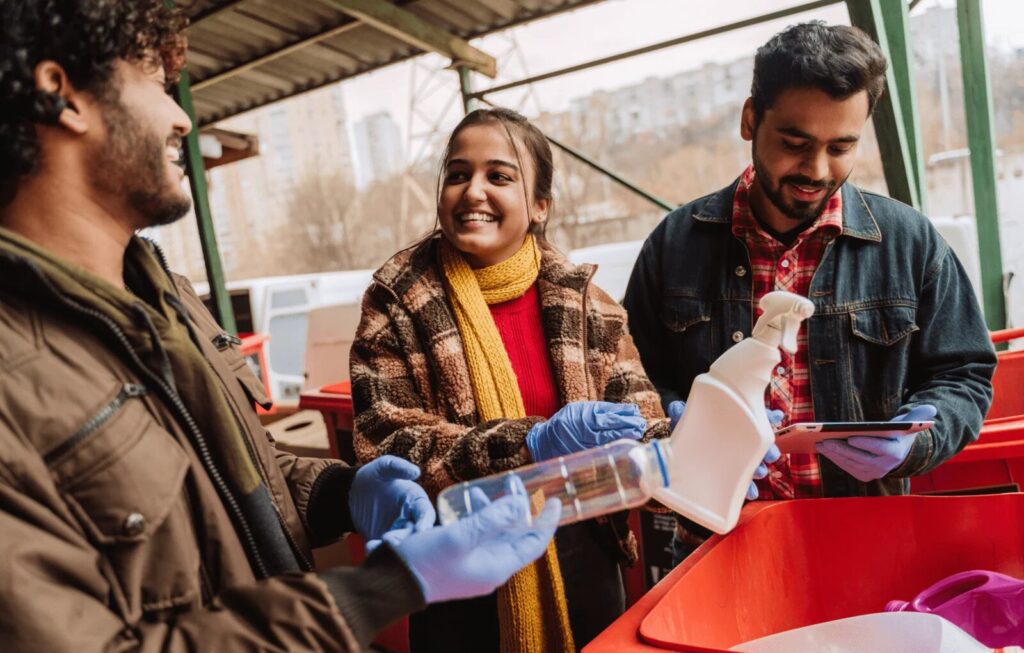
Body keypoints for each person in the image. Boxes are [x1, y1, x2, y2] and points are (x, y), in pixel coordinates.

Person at [0, 2, 563, 651]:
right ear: (61, 94)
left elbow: (234, 482)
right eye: (156, 84)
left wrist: (341, 491)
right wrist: (380, 588)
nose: (184, 116)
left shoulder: (164, 297)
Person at [349, 107, 778, 652]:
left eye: (498, 176)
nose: (472, 191)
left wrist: (700, 447)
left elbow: (641, 430)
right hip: (455, 580)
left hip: (585, 570)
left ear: (539, 205)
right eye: (458, 174)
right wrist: (530, 444)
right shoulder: (396, 302)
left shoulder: (587, 306)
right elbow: (388, 442)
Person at [623, 21, 997, 563]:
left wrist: (914, 443)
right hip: (713, 542)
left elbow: (964, 373)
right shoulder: (674, 244)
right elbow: (626, 380)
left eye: (841, 147)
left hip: (868, 541)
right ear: (751, 118)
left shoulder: (910, 242)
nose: (817, 170)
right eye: (794, 144)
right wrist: (669, 424)